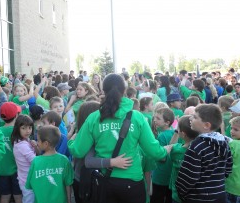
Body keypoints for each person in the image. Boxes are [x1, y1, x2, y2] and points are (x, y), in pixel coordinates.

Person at [68, 73, 171, 203]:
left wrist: (71, 140)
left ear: (103, 91)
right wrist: (166, 150)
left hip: (105, 182)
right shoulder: (137, 117)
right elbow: (154, 151)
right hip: (132, 182)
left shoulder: (94, 118)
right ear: (124, 90)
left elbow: (78, 151)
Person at [176, 104, 233, 203]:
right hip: (219, 195)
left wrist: (181, 193)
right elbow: (228, 168)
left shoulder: (197, 146)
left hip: (198, 197)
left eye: (195, 117)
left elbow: (189, 177)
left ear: (206, 125)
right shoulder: (224, 142)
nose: (190, 118)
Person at [25, 126, 74, 203]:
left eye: (38, 140)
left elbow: (29, 185)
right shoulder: (64, 160)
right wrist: (69, 201)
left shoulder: (36, 161)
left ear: (46, 143)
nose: (37, 142)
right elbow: (68, 184)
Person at [0, 102, 22, 203]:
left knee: (4, 197)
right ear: (16, 115)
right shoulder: (19, 131)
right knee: (18, 197)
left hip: (1, 170)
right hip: (17, 171)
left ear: (1, 117)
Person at [169, 115, 199, 203]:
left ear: (183, 134)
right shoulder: (200, 149)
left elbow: (171, 145)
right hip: (194, 194)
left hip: (177, 193)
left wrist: (176, 132)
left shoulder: (177, 150)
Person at [11, 115, 39, 203]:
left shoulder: (24, 140)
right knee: (29, 200)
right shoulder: (22, 145)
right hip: (27, 180)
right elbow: (35, 161)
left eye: (30, 128)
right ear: (17, 129)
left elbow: (36, 153)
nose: (28, 131)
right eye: (24, 128)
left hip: (27, 178)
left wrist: (35, 146)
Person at [151, 107, 175, 203]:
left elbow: (162, 158)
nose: (154, 120)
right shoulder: (174, 132)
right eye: (154, 117)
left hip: (160, 176)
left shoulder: (162, 136)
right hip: (170, 176)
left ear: (167, 122)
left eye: (158, 118)